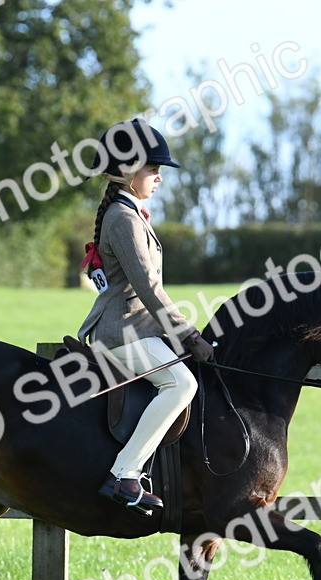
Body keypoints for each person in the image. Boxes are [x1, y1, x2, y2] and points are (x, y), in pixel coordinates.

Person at [78, 119, 214, 513]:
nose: (158, 178)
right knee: (180, 384)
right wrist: (189, 335)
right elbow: (148, 289)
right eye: (152, 170)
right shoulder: (123, 218)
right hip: (121, 334)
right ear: (126, 170)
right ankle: (125, 475)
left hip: (137, 330)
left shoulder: (130, 213)